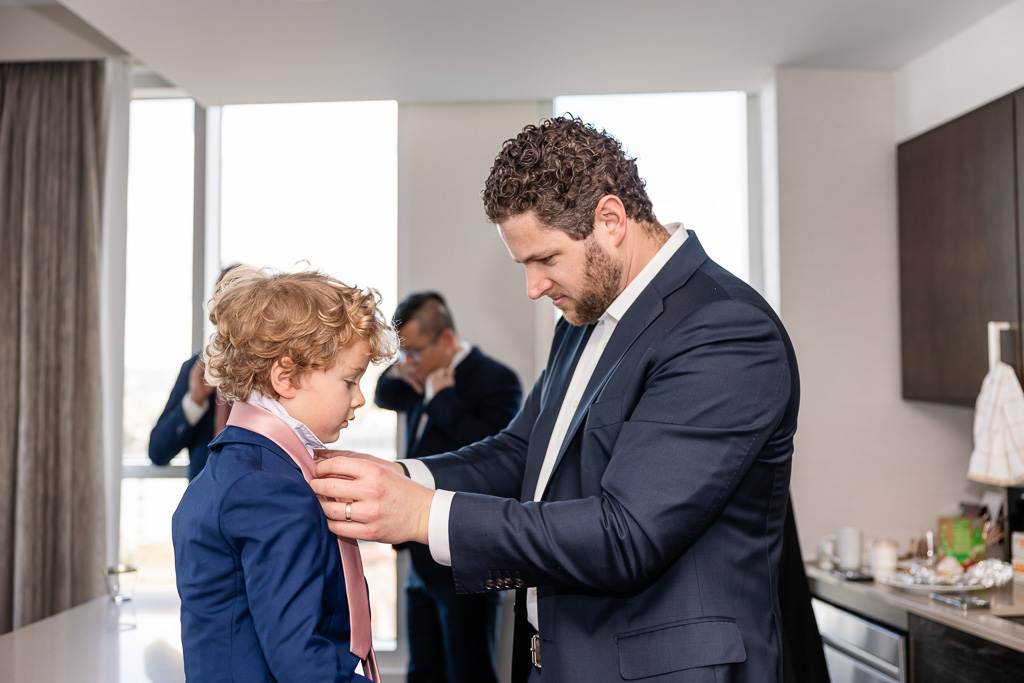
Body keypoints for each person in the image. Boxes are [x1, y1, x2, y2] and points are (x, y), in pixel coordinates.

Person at [311, 116, 800, 683]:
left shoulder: (724, 329)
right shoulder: (586, 313)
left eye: (545, 259)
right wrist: (398, 477)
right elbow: (523, 452)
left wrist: (421, 515)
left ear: (611, 220)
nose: (533, 287)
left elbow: (628, 535)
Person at [172, 266, 394, 682]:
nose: (361, 397)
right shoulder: (267, 487)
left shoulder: (235, 464)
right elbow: (300, 662)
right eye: (350, 381)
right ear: (285, 376)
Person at [375, 291, 522, 683]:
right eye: (403, 354)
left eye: (415, 352)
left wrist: (440, 397)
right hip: (418, 559)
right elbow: (381, 393)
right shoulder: (413, 376)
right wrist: (403, 369)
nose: (409, 363)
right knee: (422, 671)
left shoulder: (497, 379)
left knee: (468, 671)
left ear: (444, 340)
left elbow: (493, 455)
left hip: (464, 555)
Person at [149, 265, 241, 480]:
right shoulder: (196, 368)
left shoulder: (274, 370)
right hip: (202, 509)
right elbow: (158, 453)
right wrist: (195, 400)